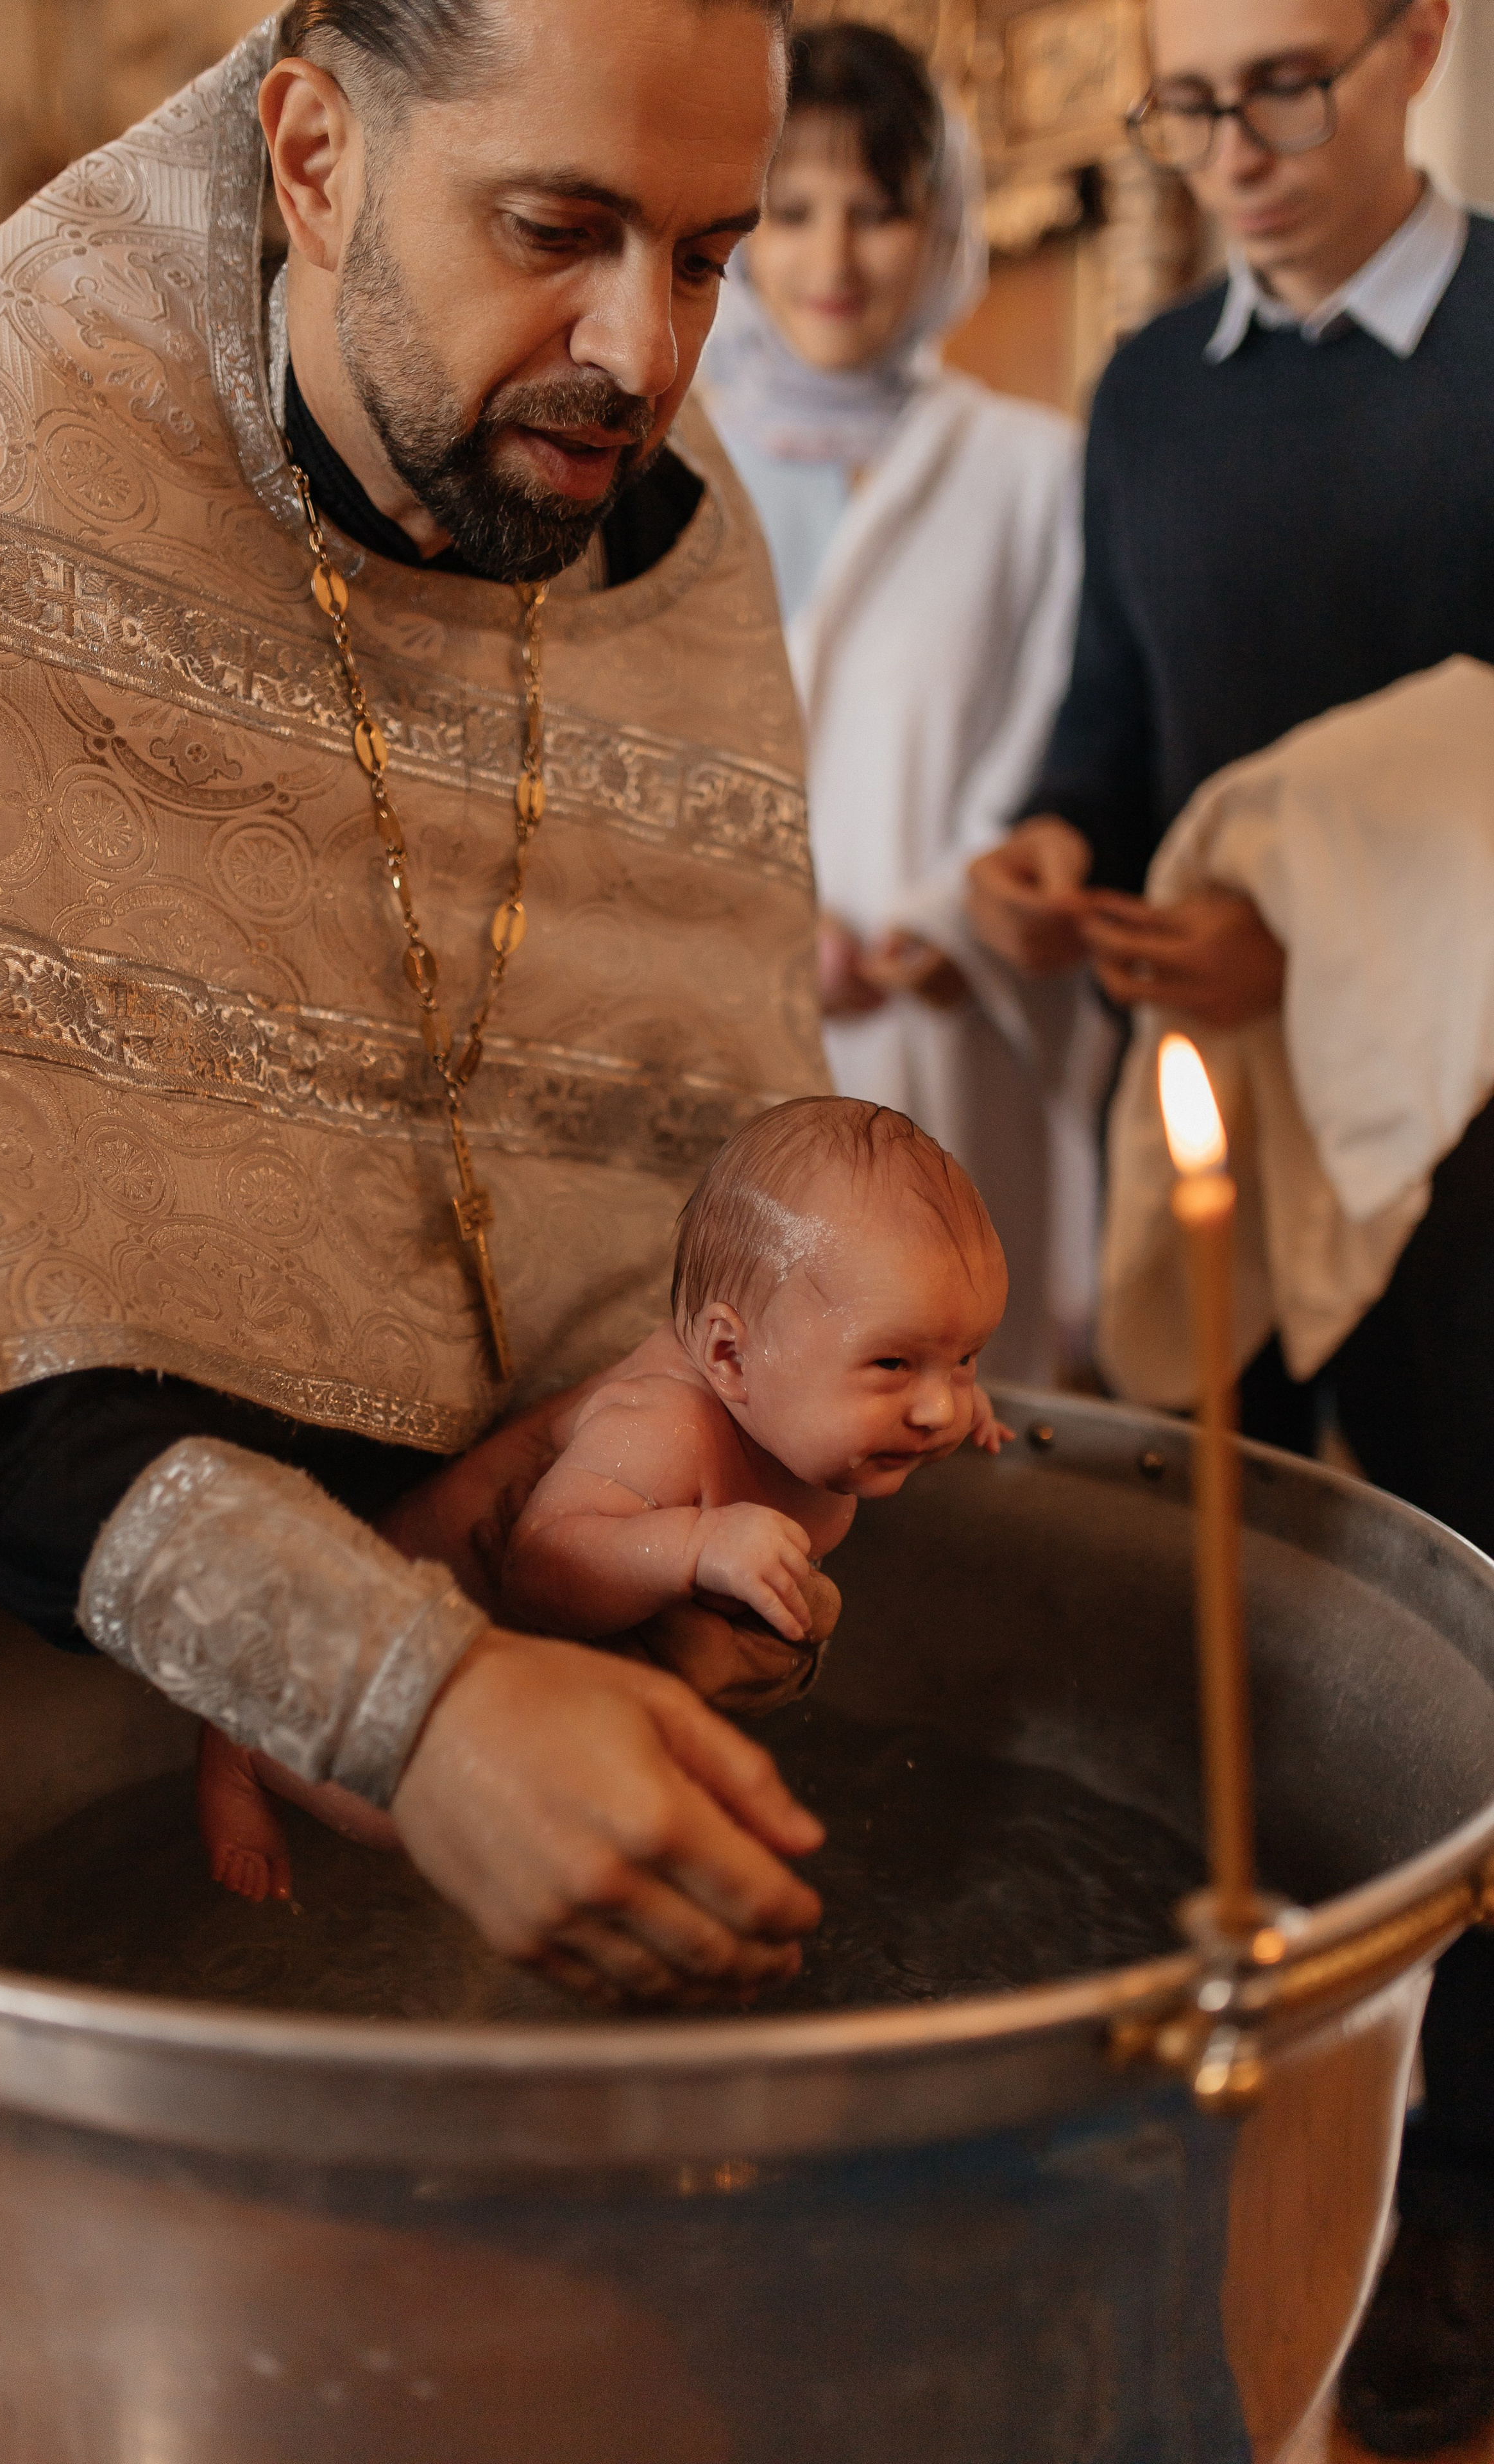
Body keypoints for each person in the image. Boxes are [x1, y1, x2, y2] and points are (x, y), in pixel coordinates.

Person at [0, 0, 842, 2016]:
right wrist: (400, 1690)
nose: (645, 355)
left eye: (705, 256)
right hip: (40, 1733)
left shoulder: (664, 521)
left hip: (540, 1658)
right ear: (315, 157)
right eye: (555, 228)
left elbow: (686, 1117)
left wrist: (679, 1487)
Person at [965, 0, 1494, 2447]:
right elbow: (1111, 717)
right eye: (1187, 104)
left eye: (1281, 82)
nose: (1231, 148)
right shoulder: (1153, 395)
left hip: (1465, 1157)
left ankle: (1456, 2209)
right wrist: (1051, 845)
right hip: (1203, 1118)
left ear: (1416, 42)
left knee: (1465, 1656)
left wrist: (1342, 950)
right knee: (1237, 1639)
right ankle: (1260, 2144)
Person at [201, 1095, 1012, 1917]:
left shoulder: (815, 1396)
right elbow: (539, 1566)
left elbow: (930, 1383)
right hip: (365, 1640)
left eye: (966, 1359)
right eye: (892, 1365)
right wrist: (696, 1544)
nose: (938, 1410)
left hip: (537, 1672)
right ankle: (246, 1745)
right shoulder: (662, 1428)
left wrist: (960, 1395)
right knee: (400, 1814)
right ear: (730, 1357)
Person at [700, 22, 1100, 1386]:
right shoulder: (672, 462)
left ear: (940, 225)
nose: (833, 257)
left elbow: (1053, 730)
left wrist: (940, 923)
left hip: (934, 1028)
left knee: (937, 1395)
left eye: (876, 211)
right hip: (719, 1014)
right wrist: (762, 924)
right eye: (792, 208)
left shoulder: (1028, 472)